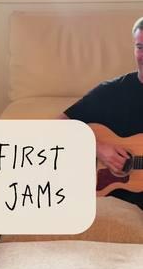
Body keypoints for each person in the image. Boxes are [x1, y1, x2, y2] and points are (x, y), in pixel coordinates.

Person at [59, 16, 143, 210]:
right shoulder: (110, 92)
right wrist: (98, 148)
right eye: (140, 47)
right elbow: (57, 127)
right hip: (111, 200)